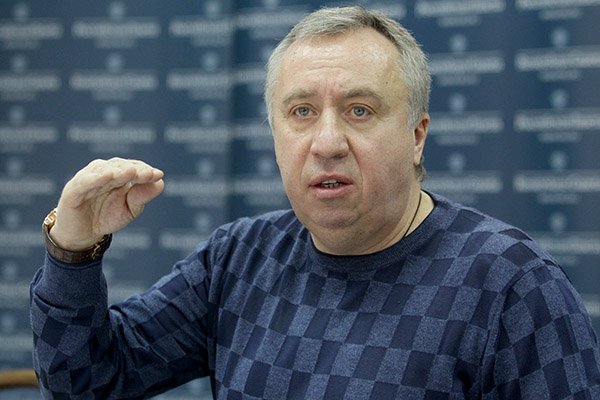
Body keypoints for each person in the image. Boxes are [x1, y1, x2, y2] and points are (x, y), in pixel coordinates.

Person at [30, 6, 600, 399]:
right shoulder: (239, 259)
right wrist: (72, 248)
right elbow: (85, 381)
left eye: (359, 111)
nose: (327, 143)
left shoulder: (511, 283)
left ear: (416, 135)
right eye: (301, 112)